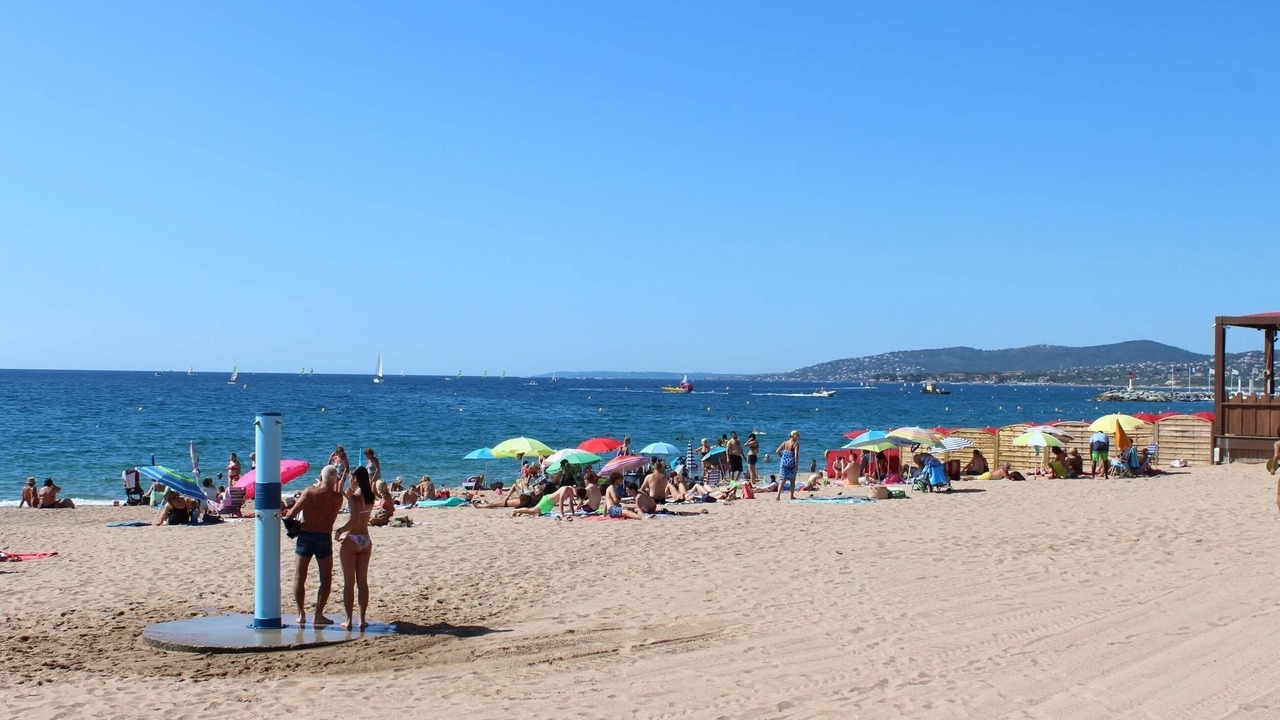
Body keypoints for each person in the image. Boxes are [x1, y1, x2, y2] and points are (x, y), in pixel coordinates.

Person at [282, 464, 345, 626]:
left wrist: (294, 522)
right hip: (324, 536)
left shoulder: (309, 492)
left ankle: (301, 614)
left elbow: (291, 514)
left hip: (306, 535)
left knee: (299, 576)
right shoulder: (338, 498)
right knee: (325, 578)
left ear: (321, 476)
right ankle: (318, 614)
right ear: (335, 480)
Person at [334, 465, 375, 631]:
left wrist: (339, 531)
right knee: (362, 582)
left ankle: (349, 619)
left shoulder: (355, 498)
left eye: (351, 477)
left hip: (352, 539)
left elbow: (353, 521)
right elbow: (363, 519)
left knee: (349, 583)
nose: (349, 479)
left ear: (356, 479)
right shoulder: (369, 496)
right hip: (365, 539)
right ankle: (362, 619)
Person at [512, 483, 578, 517]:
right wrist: (562, 514)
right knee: (532, 511)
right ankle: (515, 510)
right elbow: (561, 501)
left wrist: (573, 513)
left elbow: (571, 503)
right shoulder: (566, 489)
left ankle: (520, 512)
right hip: (547, 501)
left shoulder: (571, 491)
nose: (575, 496)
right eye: (576, 494)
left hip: (551, 504)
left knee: (535, 512)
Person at [775, 430, 800, 501]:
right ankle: (791, 496)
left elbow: (777, 451)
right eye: (798, 436)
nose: (798, 437)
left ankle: (778, 495)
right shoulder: (795, 444)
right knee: (792, 480)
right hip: (791, 463)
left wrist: (782, 457)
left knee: (782, 480)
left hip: (783, 462)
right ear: (795, 436)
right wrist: (796, 465)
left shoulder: (785, 443)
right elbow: (796, 455)